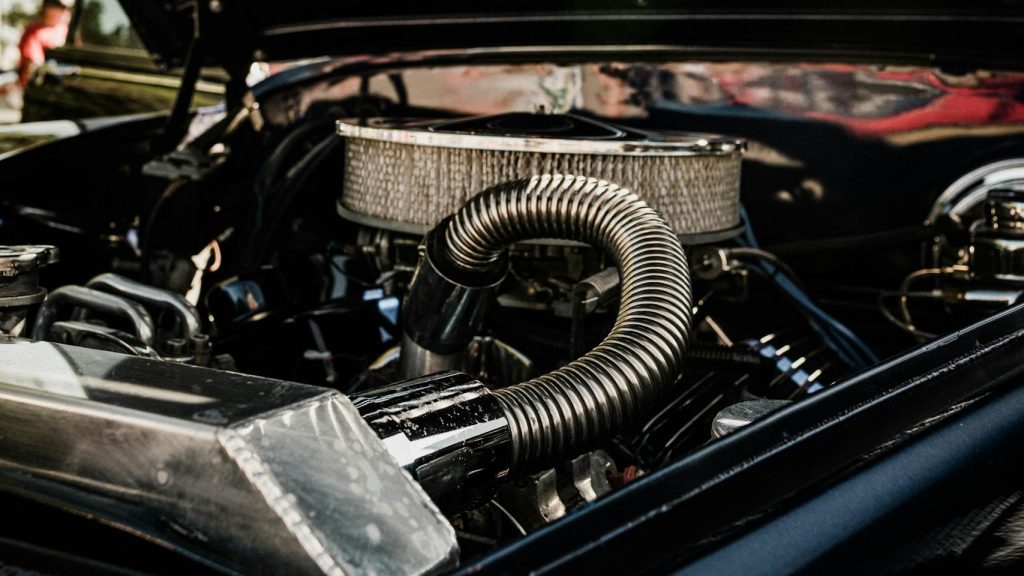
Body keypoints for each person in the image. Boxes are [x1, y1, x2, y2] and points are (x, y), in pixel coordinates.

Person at [17, 0, 73, 88]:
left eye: (64, 8)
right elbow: (34, 64)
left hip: (63, 87)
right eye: (55, 6)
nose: (62, 11)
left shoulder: (68, 32)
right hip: (34, 86)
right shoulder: (34, 31)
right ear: (46, 7)